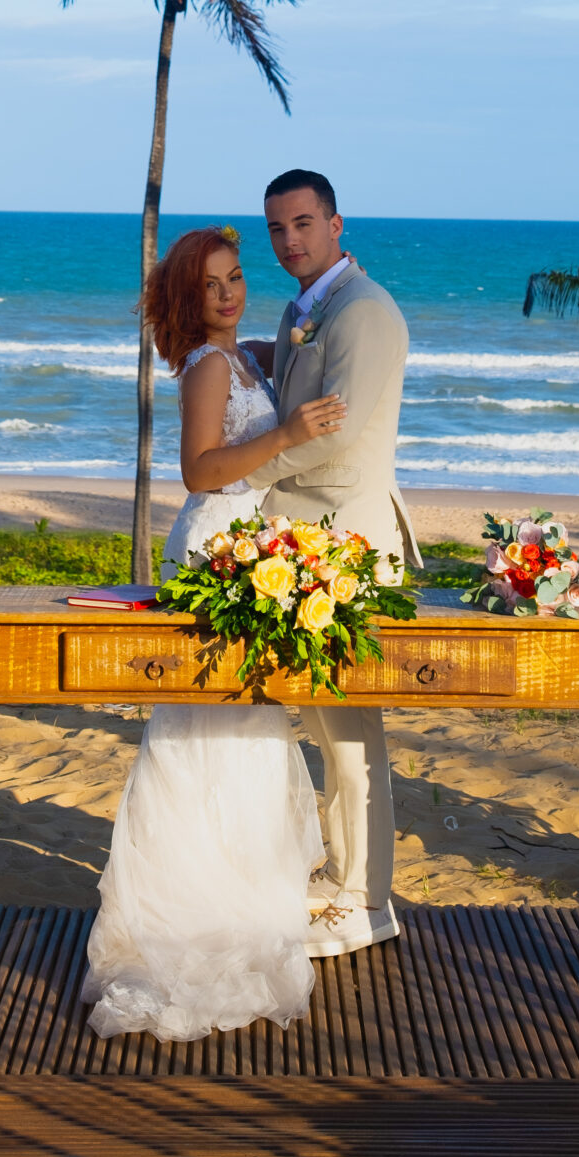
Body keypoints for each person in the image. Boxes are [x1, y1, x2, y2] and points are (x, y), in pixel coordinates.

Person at [83, 225, 347, 1042]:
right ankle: (194, 915)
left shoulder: (243, 357)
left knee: (247, 727)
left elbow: (305, 335)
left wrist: (320, 319)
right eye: (211, 286)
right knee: (213, 731)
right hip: (214, 551)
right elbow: (199, 469)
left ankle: (238, 900)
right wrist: (288, 435)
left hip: (245, 550)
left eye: (235, 277)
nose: (230, 292)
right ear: (186, 302)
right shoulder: (205, 365)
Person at [241, 170, 416, 956]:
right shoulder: (301, 309)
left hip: (343, 541)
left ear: (337, 224)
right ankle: (344, 877)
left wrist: (246, 469)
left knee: (349, 734)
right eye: (277, 229)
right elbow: (304, 401)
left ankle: (366, 900)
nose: (289, 241)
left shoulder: (364, 313)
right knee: (320, 719)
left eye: (304, 224)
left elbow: (339, 434)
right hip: (307, 542)